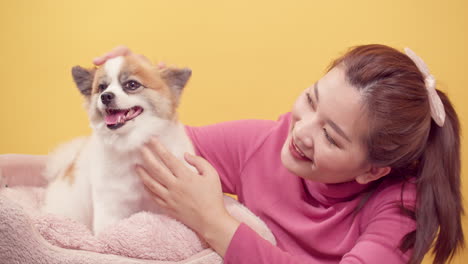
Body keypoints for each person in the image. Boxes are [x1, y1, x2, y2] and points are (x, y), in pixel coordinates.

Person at [0, 44, 463, 264]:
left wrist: (214, 222)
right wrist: (143, 87)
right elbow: (147, 160)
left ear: (373, 170)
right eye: (311, 99)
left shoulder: (400, 206)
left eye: (332, 137)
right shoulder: (266, 140)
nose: (301, 130)